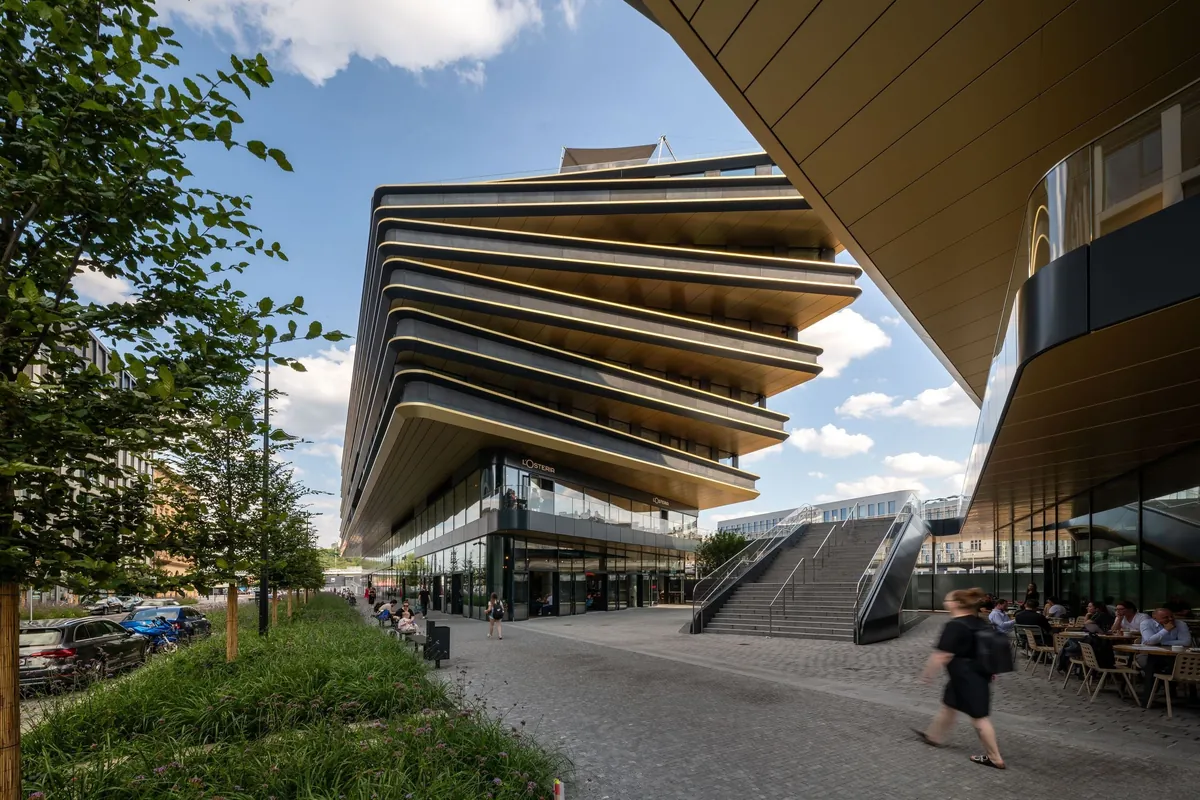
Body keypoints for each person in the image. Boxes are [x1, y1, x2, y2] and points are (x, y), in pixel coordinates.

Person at [916, 588, 1005, 770]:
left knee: (979, 718)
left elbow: (942, 654)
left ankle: (995, 758)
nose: (945, 602)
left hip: (967, 678)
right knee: (949, 706)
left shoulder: (955, 625)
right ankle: (933, 736)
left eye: (948, 600)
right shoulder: (979, 622)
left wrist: (928, 674)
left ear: (956, 604)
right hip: (970, 676)